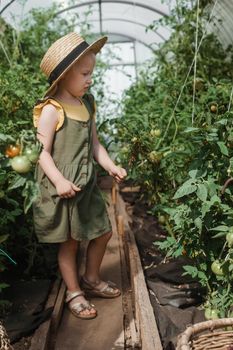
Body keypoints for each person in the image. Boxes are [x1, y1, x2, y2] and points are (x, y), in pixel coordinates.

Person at [32, 32, 127, 319]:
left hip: (85, 184)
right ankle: (74, 291)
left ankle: (92, 278)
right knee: (70, 242)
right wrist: (59, 181)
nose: (90, 79)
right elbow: (42, 153)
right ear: (63, 76)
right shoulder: (52, 110)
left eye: (91, 72)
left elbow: (95, 144)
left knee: (104, 231)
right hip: (63, 187)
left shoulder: (86, 104)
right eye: (85, 73)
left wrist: (110, 166)